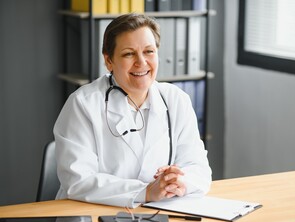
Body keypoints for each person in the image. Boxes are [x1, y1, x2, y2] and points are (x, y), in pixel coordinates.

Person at [53, 13, 212, 208]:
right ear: (109, 60)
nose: (141, 62)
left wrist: (178, 181)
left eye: (149, 51)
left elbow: (199, 168)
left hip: (157, 211)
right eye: (129, 53)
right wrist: (145, 191)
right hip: (89, 213)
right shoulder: (83, 104)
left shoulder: (176, 100)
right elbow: (77, 181)